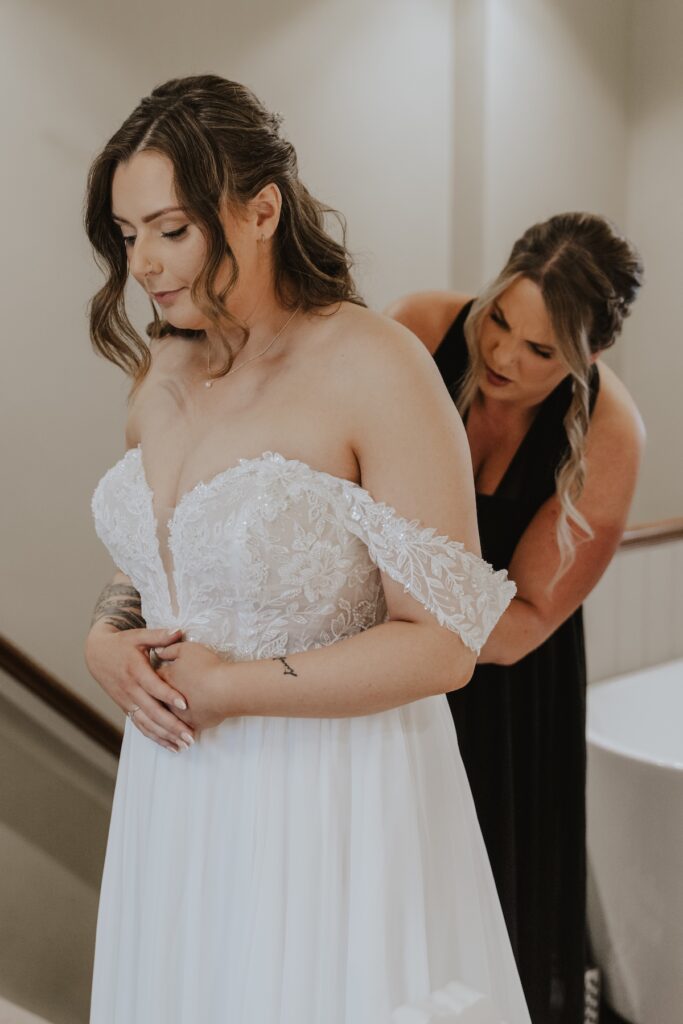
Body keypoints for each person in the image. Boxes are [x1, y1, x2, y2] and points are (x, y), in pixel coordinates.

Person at [83, 75, 530, 1024]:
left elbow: (444, 643)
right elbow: (157, 561)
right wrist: (103, 638)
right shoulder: (168, 359)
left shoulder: (374, 365)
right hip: (175, 791)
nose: (146, 266)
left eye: (170, 228)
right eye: (128, 237)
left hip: (326, 804)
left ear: (260, 210)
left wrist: (227, 687)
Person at [386, 212, 645, 1024]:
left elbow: (527, 613)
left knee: (486, 896)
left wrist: (413, 647)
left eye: (539, 352)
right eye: (499, 319)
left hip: (502, 686)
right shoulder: (423, 328)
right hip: (383, 651)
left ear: (587, 356)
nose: (500, 356)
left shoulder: (608, 433)